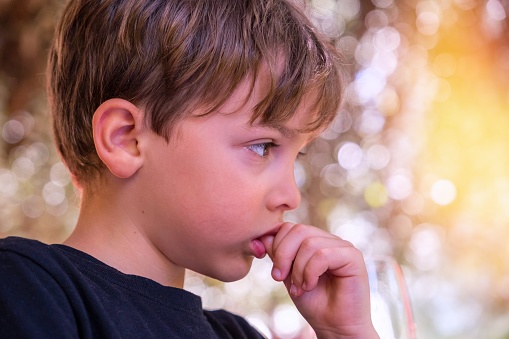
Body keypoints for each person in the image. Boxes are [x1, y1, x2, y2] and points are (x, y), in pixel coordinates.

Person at [0, 0, 379, 338]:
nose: (290, 195)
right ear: (126, 139)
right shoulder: (24, 288)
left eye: (296, 156)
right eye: (263, 146)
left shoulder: (238, 334)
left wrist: (344, 334)